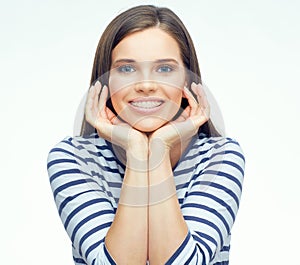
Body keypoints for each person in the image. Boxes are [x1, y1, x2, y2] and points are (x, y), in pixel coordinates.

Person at [47, 4, 245, 265]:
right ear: (105, 81)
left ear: (187, 80)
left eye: (164, 69)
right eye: (126, 69)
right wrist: (137, 149)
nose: (146, 85)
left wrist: (159, 149)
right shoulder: (73, 158)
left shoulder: (219, 157)